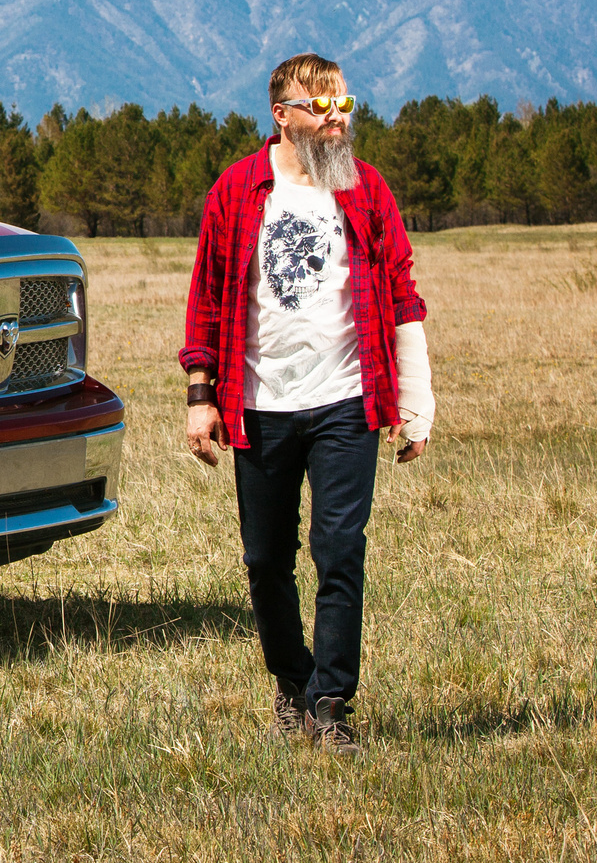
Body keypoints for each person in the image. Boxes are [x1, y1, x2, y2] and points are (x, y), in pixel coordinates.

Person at [179, 52, 435, 753]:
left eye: (343, 106)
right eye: (320, 107)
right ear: (282, 115)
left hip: (347, 399)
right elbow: (207, 299)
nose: (335, 119)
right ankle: (291, 682)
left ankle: (330, 701)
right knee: (265, 558)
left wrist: (417, 399)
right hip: (259, 404)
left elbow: (404, 294)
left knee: (339, 549)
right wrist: (200, 398)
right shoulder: (238, 191)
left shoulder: (364, 190)